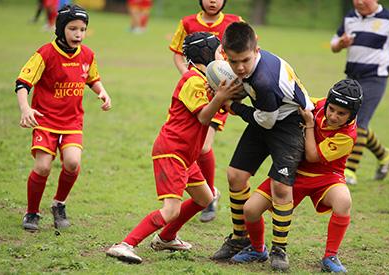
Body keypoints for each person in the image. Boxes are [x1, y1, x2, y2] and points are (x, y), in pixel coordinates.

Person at [105, 32, 242, 264]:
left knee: (204, 198)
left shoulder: (207, 80)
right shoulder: (192, 80)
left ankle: (166, 238)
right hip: (172, 151)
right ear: (206, 53)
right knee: (171, 210)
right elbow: (203, 117)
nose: (224, 57)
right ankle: (125, 245)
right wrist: (219, 98)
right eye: (220, 51)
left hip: (186, 155)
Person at [211, 22, 314, 271]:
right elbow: (253, 97)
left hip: (289, 122)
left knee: (280, 187)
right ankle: (240, 239)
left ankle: (279, 250)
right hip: (267, 112)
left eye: (245, 60)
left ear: (256, 49)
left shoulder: (264, 79)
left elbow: (265, 121)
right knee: (235, 175)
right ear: (226, 54)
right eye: (234, 62)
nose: (240, 67)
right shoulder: (244, 68)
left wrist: (233, 106)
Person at [229, 79, 362, 273]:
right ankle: (258, 250)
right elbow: (294, 101)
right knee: (250, 209)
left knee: (343, 201)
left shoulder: (348, 135)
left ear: (352, 114)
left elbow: (312, 156)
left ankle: (330, 256)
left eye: (341, 114)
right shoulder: (317, 105)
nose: (334, 116)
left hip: (327, 177)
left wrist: (309, 125)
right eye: (331, 109)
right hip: (294, 172)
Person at [15, 5, 112, 231]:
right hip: (45, 120)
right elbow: (22, 83)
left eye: (82, 29)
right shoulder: (45, 53)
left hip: (71, 122)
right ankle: (32, 212)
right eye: (72, 28)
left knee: (72, 162)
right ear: (61, 29)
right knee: (42, 167)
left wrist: (102, 91)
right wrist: (25, 108)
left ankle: (59, 204)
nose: (78, 34)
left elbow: (91, 78)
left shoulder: (87, 54)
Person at [331, 0, 389, 185]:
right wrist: (341, 44)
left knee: (359, 123)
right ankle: (384, 155)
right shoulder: (350, 17)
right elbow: (334, 44)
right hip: (351, 78)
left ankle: (349, 171)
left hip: (375, 78)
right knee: (354, 122)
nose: (359, 2)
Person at [169, 0, 243, 222]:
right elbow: (177, 53)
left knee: (202, 146)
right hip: (196, 92)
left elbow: (247, 51)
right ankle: (206, 192)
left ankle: (209, 195)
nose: (213, 1)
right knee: (194, 146)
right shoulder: (188, 22)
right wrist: (188, 74)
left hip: (219, 93)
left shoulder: (235, 22)